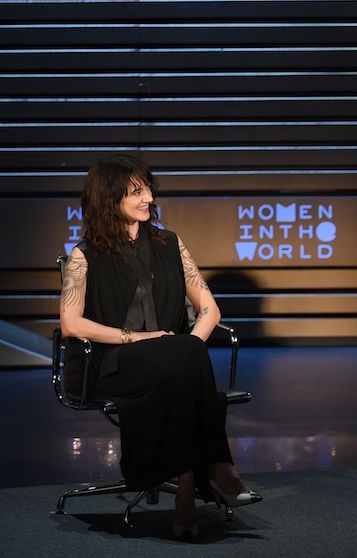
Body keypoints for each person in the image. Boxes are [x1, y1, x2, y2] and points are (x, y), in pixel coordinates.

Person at [59, 154, 261, 540]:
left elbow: (210, 310)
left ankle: (189, 493)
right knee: (184, 361)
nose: (149, 198)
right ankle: (215, 472)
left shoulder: (171, 244)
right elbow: (71, 323)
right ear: (109, 197)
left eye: (148, 189)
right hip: (115, 364)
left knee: (184, 359)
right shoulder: (85, 254)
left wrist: (187, 348)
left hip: (174, 363)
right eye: (136, 192)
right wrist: (139, 338)